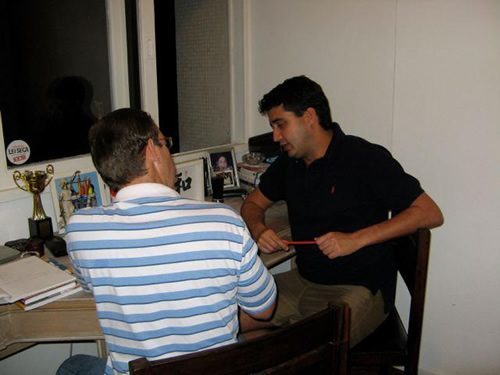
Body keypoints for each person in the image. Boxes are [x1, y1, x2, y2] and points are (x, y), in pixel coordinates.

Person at [56, 108, 277, 375]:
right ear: (152, 150)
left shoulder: (81, 229)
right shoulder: (223, 220)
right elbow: (264, 310)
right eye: (166, 143)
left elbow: (91, 285)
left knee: (72, 365)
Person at [240, 75, 444, 347]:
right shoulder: (291, 163)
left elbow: (429, 212)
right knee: (229, 319)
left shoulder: (365, 158)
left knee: (306, 351)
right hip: (301, 281)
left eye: (280, 124)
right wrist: (259, 229)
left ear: (309, 117)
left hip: (357, 289)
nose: (276, 136)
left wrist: (355, 239)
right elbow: (252, 203)